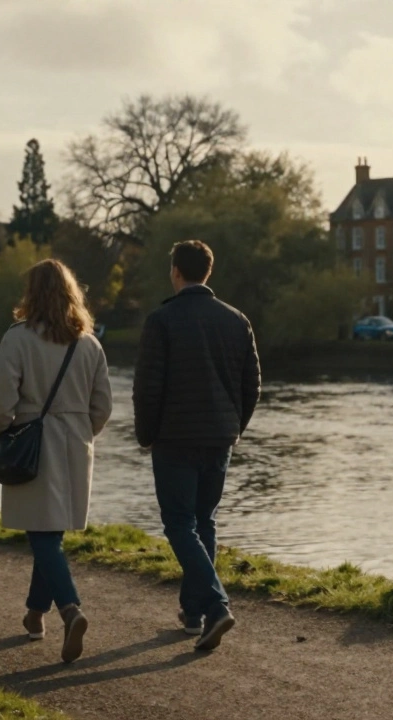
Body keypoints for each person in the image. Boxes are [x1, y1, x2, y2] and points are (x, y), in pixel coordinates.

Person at [133, 240, 260, 651]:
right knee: (204, 520)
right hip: (219, 438)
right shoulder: (237, 320)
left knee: (179, 523)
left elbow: (147, 387)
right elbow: (252, 385)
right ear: (209, 272)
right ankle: (193, 614)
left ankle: (216, 605)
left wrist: (146, 434)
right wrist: (234, 426)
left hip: (175, 438)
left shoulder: (162, 320)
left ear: (175, 272)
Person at [0, 259, 113, 664]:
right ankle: (34, 615)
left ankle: (70, 609)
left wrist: (0, 434)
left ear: (31, 293)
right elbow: (103, 405)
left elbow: (1, 399)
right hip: (75, 445)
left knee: (41, 535)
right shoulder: (89, 343)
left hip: (32, 443)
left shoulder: (18, 338)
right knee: (50, 533)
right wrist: (82, 433)